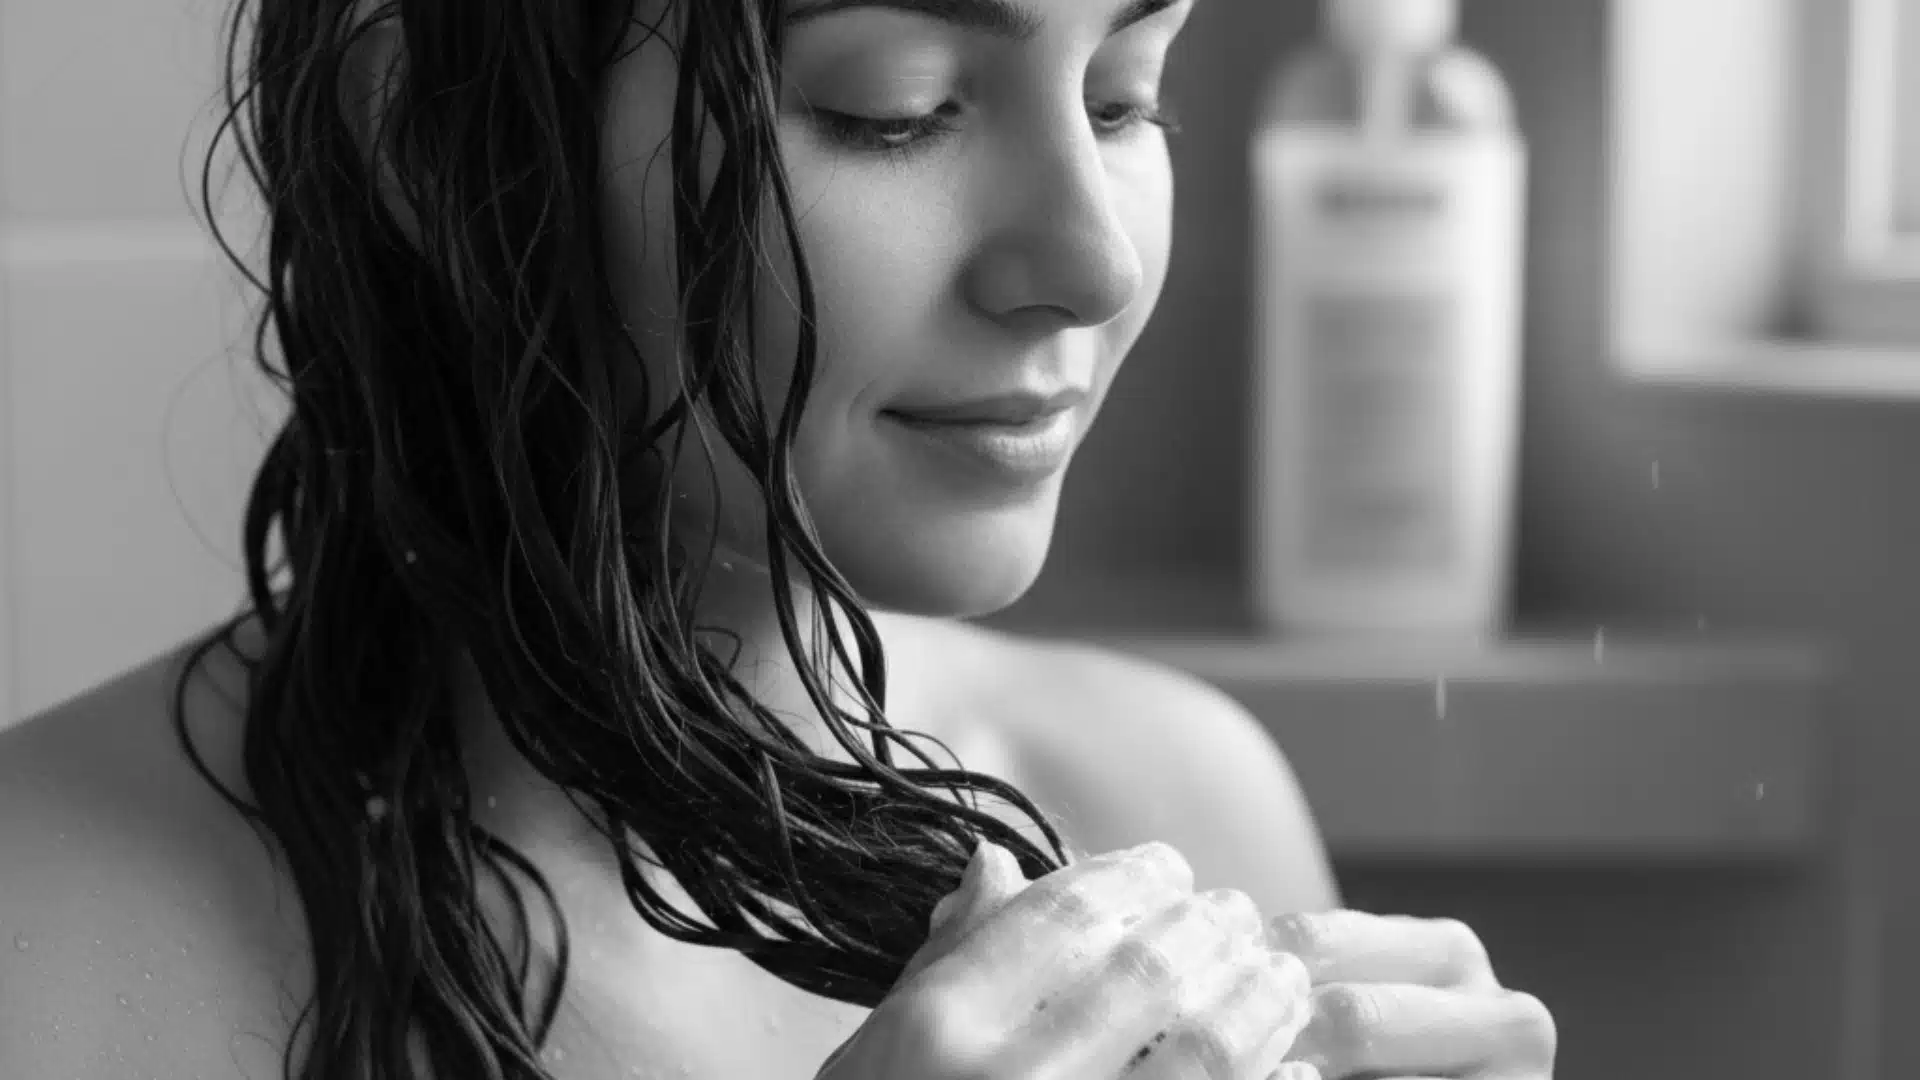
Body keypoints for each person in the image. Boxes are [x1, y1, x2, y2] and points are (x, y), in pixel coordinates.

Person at [0, 0, 1555, 1076]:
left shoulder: (1179, 811)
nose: (1087, 260)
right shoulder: (43, 936)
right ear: (422, 131)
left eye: (1124, 95)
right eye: (896, 110)